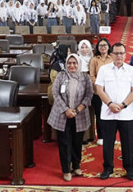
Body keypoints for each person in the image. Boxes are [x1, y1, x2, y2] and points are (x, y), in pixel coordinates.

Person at [95, 43, 133, 180]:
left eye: (121, 53)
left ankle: (129, 168)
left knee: (127, 143)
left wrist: (123, 105)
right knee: (108, 143)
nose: (119, 56)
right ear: (111, 54)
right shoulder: (104, 69)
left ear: (125, 55)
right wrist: (110, 104)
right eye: (116, 53)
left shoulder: (131, 70)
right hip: (108, 113)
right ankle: (108, 168)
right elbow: (99, 89)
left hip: (126, 114)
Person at [48, 54, 93, 182]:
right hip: (62, 115)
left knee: (77, 142)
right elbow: (55, 93)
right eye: (69, 63)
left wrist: (78, 109)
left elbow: (89, 95)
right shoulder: (61, 76)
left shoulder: (85, 77)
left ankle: (77, 165)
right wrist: (66, 110)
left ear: (79, 64)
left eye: (74, 63)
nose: (72, 65)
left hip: (79, 114)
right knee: (64, 143)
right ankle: (66, 169)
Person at [89, 38, 113, 145]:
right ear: (98, 48)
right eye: (100, 45)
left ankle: (110, 136)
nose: (103, 47)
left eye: (105, 45)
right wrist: (99, 86)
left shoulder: (112, 58)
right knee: (99, 114)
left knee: (111, 114)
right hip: (98, 91)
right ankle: (101, 136)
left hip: (111, 91)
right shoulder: (94, 60)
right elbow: (92, 75)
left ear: (108, 47)